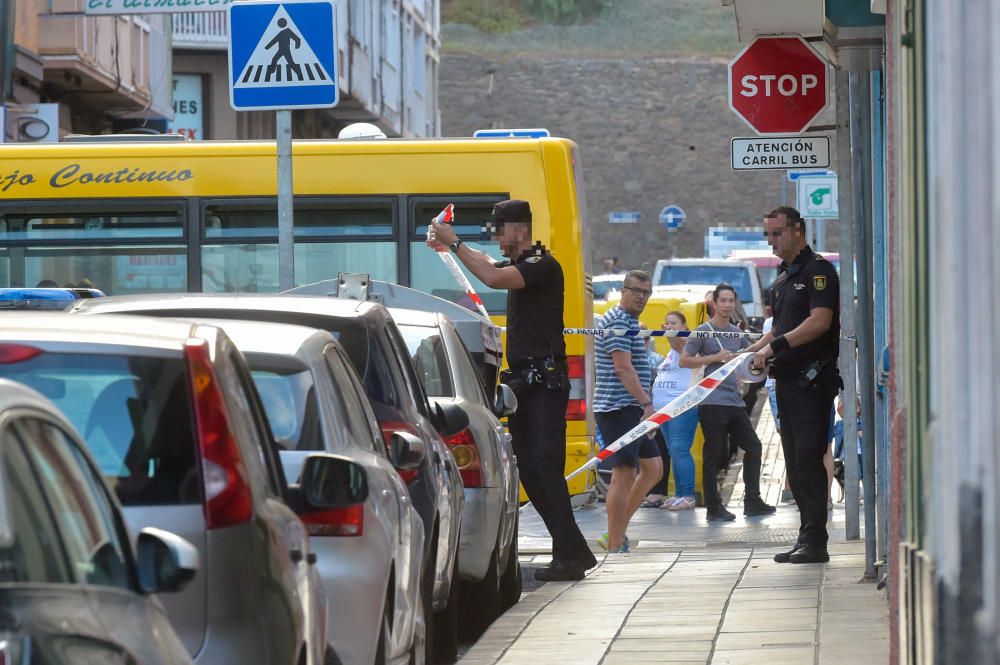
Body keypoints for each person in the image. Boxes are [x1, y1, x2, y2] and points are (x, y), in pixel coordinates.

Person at [428, 199, 597, 581]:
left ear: (519, 229)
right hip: (527, 383)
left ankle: (572, 553)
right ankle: (572, 551)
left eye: (500, 231)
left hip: (543, 383)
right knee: (532, 471)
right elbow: (490, 268)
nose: (497, 240)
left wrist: (454, 243)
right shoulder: (521, 266)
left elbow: (492, 277)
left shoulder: (542, 265)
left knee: (544, 467)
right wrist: (452, 247)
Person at [750, 205, 841, 564]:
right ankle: (807, 535)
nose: (771, 241)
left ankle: (816, 540)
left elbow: (819, 322)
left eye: (777, 233)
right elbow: (779, 327)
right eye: (768, 235)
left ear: (798, 231)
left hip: (812, 381)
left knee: (808, 458)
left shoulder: (817, 271)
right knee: (794, 460)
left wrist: (776, 347)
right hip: (787, 381)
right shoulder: (785, 275)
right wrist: (749, 350)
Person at [681, 283, 776, 521]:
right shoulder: (702, 331)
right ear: (714, 302)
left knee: (753, 446)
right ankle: (714, 507)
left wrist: (758, 362)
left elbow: (748, 360)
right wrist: (715, 357)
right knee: (714, 453)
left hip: (734, 401)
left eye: (731, 301)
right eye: (722, 300)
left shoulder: (737, 333)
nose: (727, 305)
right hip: (710, 402)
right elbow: (685, 360)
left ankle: (752, 500)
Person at [593, 270, 663, 553]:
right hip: (618, 407)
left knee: (653, 469)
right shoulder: (617, 321)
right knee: (624, 472)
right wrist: (647, 404)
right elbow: (623, 368)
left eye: (646, 293)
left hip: (631, 408)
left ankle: (615, 531)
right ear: (623, 290)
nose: (641, 297)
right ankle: (613, 543)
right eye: (636, 291)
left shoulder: (630, 322)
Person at [650, 310, 699, 511]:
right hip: (665, 410)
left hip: (681, 407)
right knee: (673, 452)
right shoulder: (669, 354)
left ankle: (687, 495)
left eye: (674, 323)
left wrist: (672, 335)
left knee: (680, 449)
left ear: (685, 327)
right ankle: (679, 494)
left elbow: (678, 345)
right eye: (666, 323)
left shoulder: (686, 345)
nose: (669, 326)